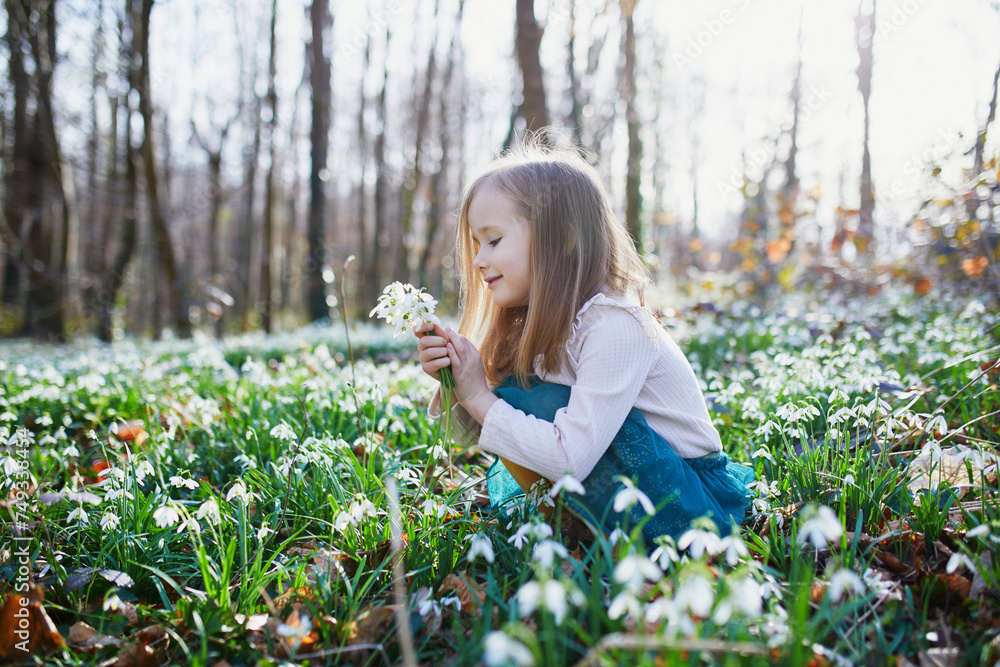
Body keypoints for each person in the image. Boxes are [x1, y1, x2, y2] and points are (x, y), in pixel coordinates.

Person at [415, 144, 753, 540]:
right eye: (476, 244)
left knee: (540, 401)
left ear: (564, 239)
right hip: (637, 484)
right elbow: (475, 435)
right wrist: (457, 383)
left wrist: (479, 395)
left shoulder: (615, 326)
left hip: (687, 508)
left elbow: (568, 459)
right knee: (523, 397)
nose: (477, 261)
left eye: (493, 240)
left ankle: (580, 533)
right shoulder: (538, 324)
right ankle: (572, 531)